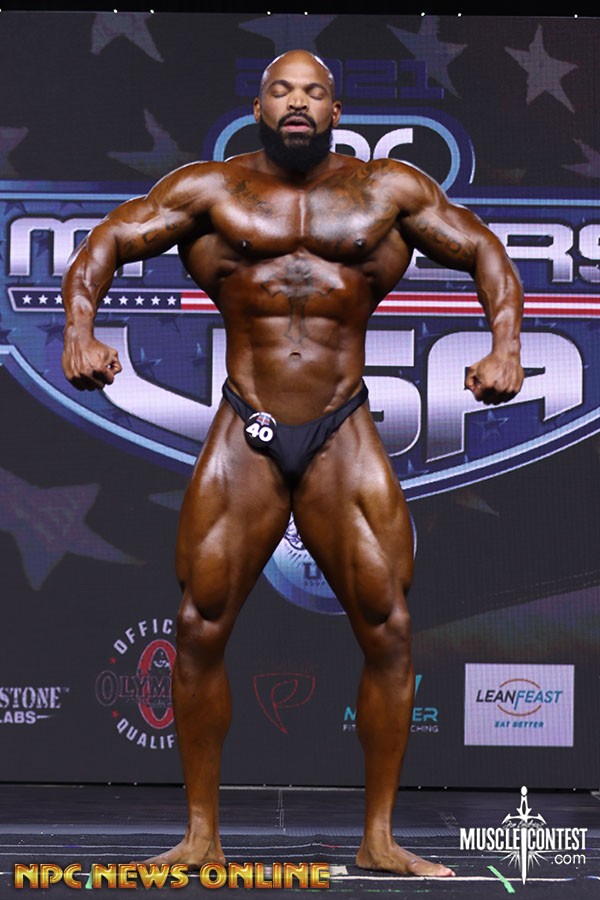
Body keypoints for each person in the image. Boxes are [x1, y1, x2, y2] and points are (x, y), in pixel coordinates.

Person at [61, 50, 524, 877]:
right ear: (260, 108)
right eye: (282, 90)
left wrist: (506, 346)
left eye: (313, 91)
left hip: (342, 427)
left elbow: (484, 250)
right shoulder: (212, 190)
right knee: (199, 624)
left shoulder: (387, 191)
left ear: (336, 111)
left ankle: (379, 840)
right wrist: (79, 331)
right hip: (249, 423)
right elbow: (110, 240)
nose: (298, 102)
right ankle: (201, 835)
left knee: (389, 627)